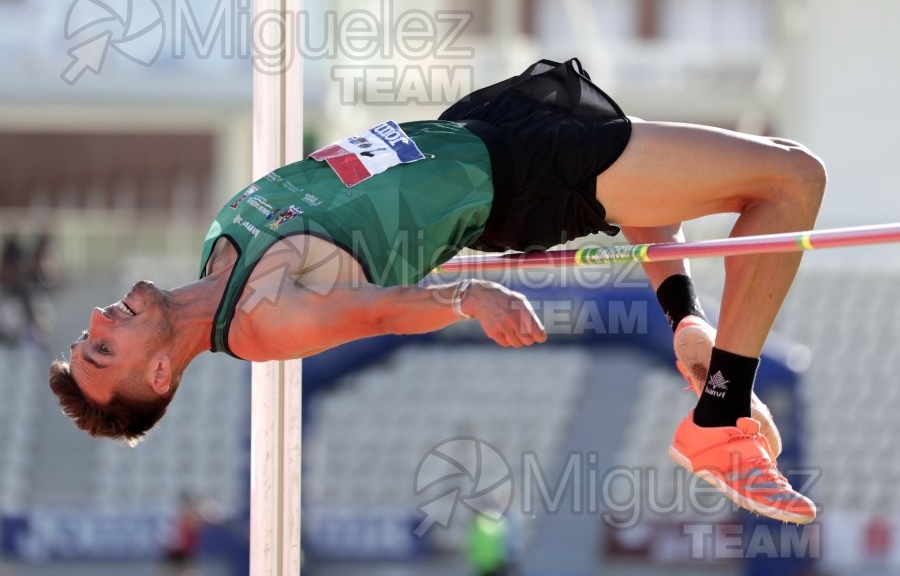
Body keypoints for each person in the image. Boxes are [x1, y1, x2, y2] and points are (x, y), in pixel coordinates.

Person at [49, 58, 825, 524]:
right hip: (516, 184)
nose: (97, 317)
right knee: (792, 177)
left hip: (476, 130)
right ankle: (720, 417)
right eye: (103, 346)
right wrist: (467, 297)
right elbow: (373, 308)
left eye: (86, 335)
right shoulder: (259, 323)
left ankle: (691, 330)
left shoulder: (220, 245)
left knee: (702, 193)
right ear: (158, 374)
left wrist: (682, 314)